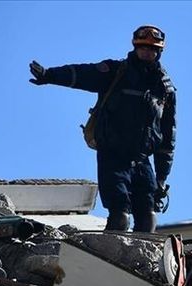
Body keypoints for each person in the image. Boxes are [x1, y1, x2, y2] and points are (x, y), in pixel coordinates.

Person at [29, 25, 176, 232]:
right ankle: (112, 254)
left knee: (147, 213)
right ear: (135, 47)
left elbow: (168, 136)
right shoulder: (116, 71)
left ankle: (141, 261)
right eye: (142, 47)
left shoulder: (164, 88)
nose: (146, 52)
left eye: (151, 49)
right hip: (113, 153)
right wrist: (49, 75)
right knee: (119, 211)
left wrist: (162, 177)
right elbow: (82, 74)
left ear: (158, 52)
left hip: (142, 159)